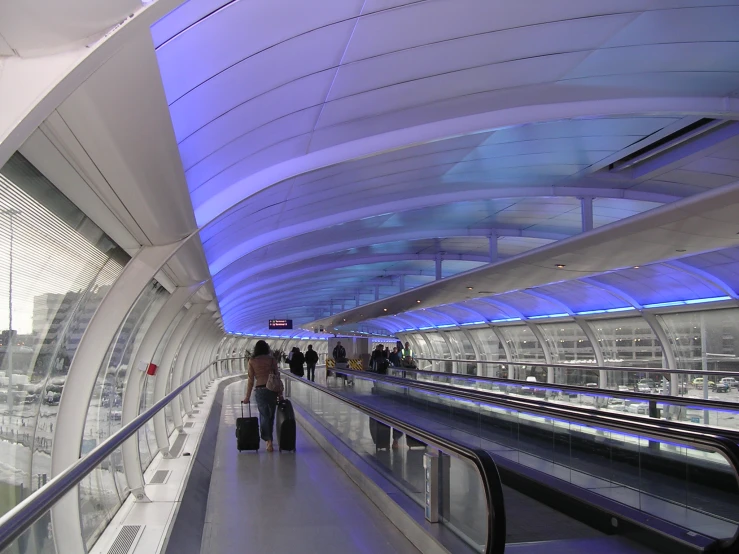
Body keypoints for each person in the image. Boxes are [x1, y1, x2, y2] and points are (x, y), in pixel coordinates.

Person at [243, 340, 281, 452]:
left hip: (260, 390)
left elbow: (250, 380)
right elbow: (277, 377)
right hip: (272, 390)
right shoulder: (272, 360)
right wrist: (280, 394)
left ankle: (268, 441)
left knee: (264, 414)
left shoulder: (252, 361)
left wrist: (247, 397)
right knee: (271, 415)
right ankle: (270, 438)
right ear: (266, 348)